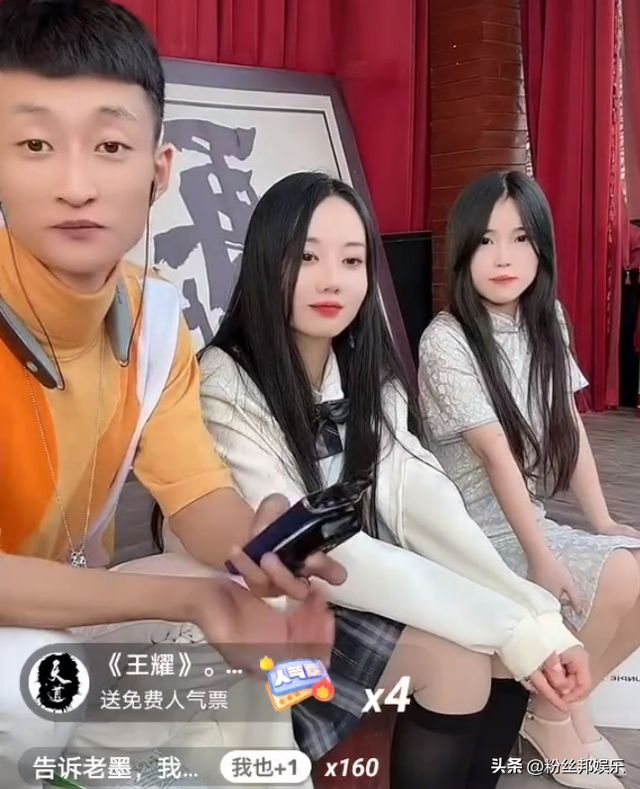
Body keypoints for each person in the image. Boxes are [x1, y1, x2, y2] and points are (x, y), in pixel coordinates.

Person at [0, 3, 345, 788]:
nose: (76, 185)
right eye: (35, 145)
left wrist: (258, 542)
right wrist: (187, 601)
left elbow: (195, 497)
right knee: (33, 684)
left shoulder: (156, 318)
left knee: (252, 606)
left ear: (158, 172)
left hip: (58, 601)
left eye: (110, 146)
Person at [191, 171, 592, 789]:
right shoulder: (225, 380)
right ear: (267, 261)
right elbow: (312, 549)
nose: (332, 279)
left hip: (347, 585)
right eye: (307, 257)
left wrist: (532, 617)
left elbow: (423, 502)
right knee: (462, 660)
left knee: (494, 651)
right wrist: (514, 627)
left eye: (352, 260)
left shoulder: (365, 371)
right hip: (268, 611)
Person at [419, 170, 640, 789]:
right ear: (464, 251)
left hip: (526, 515)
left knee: (633, 566)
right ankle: (555, 716)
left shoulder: (548, 321)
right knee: (617, 578)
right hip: (466, 533)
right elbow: (495, 457)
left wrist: (602, 521)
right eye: (486, 241)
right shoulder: (446, 339)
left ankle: (558, 708)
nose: (504, 258)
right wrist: (542, 556)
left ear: (541, 246)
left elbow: (568, 424)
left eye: (520, 239)